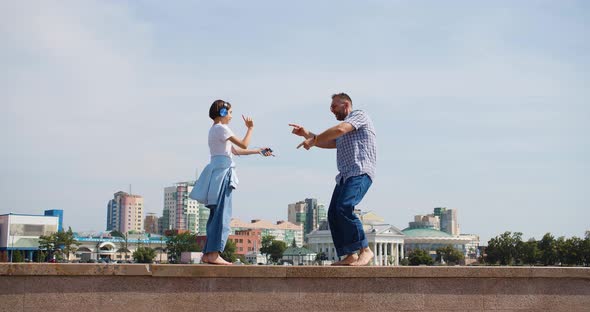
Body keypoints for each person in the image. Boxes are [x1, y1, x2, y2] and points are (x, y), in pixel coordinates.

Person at [289, 93, 376, 266]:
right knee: (333, 214)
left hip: (360, 171)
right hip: (345, 176)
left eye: (334, 107)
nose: (332, 111)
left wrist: (313, 139)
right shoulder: (346, 128)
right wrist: (307, 134)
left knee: (344, 207)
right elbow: (329, 142)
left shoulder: (359, 115)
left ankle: (365, 250)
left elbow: (339, 130)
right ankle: (349, 254)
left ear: (346, 105)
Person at [190, 100, 272, 265]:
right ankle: (213, 254)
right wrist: (250, 128)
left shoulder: (214, 130)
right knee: (222, 216)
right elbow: (243, 143)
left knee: (216, 216)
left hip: (217, 174)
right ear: (222, 113)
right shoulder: (222, 128)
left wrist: (258, 151)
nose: (231, 116)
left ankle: (208, 253)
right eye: (230, 112)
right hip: (223, 175)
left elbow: (235, 150)